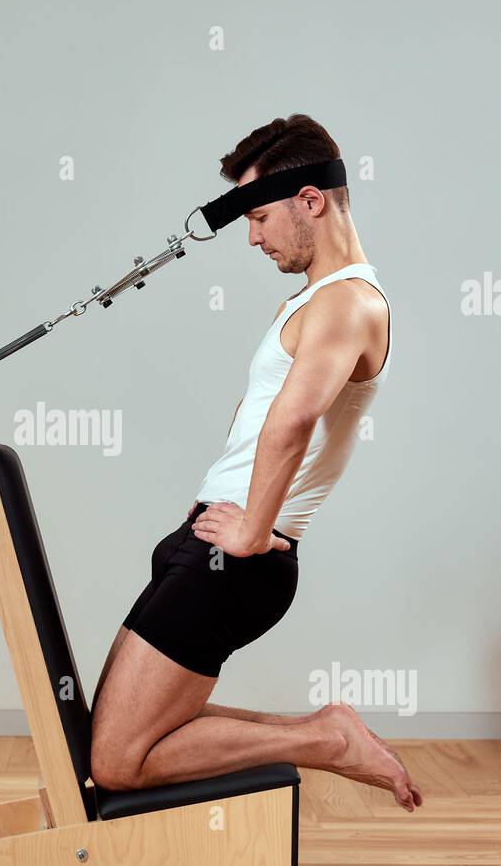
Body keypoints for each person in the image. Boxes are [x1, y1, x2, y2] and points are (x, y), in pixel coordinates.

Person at [90, 113, 422, 812]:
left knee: (119, 762)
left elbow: (293, 422)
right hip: (211, 543)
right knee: (122, 739)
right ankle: (326, 732)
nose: (253, 236)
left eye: (261, 215)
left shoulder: (349, 304)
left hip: (237, 560)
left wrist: (250, 529)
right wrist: (218, 507)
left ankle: (329, 744)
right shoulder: (312, 302)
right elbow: (259, 425)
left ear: (313, 200)